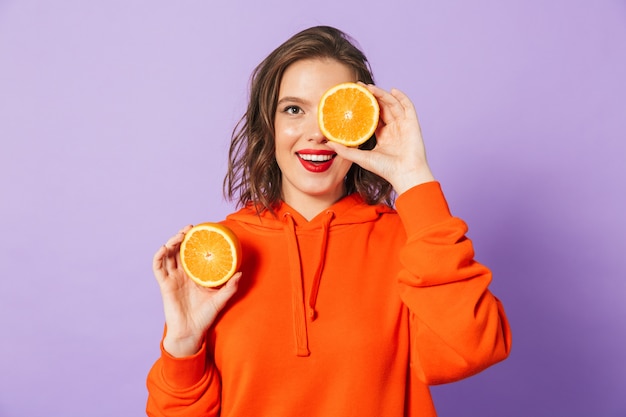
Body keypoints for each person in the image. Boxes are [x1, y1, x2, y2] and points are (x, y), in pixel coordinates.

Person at [146, 25, 511, 417]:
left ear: (363, 124)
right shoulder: (219, 252)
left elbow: (471, 348)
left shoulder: (412, 241)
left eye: (332, 112)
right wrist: (182, 345)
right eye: (293, 109)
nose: (316, 133)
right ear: (267, 125)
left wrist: (414, 179)